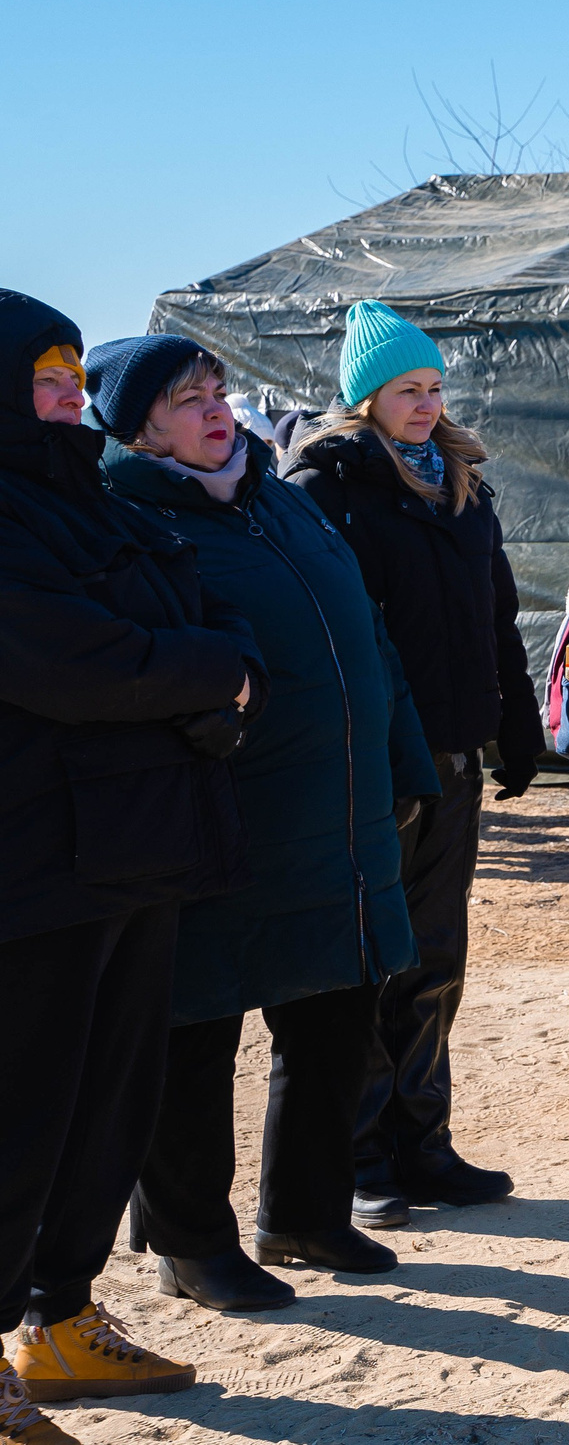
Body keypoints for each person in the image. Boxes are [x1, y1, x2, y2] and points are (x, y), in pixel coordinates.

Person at [90, 338, 436, 1312]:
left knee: (333, 1019)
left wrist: (405, 759)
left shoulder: (276, 498)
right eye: (184, 399)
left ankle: (306, 1215)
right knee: (193, 1036)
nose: (213, 409)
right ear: (133, 426)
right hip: (217, 823)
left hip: (336, 814)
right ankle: (192, 1242)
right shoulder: (121, 520)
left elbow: (365, 634)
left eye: (215, 390)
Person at [0, 295, 260, 1432]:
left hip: (138, 851)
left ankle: (59, 1318)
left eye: (72, 375)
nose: (69, 398)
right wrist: (197, 680)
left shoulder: (95, 508)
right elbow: (78, 666)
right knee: (20, 1116)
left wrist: (202, 688)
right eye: (46, 380)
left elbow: (215, 634)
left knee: (105, 1109)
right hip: (37, 869)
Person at [283, 300, 544, 1227]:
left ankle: (424, 1142)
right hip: (374, 759)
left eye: (435, 386)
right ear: (365, 399)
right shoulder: (327, 487)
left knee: (437, 952)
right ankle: (362, 1156)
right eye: (407, 389)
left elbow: (495, 615)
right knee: (374, 956)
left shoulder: (464, 484)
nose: (428, 404)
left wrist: (517, 722)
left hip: (455, 748)